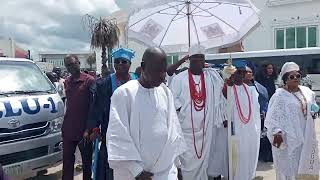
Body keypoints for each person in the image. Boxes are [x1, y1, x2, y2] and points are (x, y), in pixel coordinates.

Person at [106, 47, 186, 180]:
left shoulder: (165, 92)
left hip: (166, 172)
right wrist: (136, 171)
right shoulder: (124, 94)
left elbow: (174, 131)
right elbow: (117, 137)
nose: (162, 76)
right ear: (143, 66)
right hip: (136, 175)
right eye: (157, 71)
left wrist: (178, 166)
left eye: (164, 71)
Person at [170, 45, 227, 180]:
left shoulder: (211, 78)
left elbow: (221, 96)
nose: (198, 61)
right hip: (186, 130)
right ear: (189, 60)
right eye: (195, 58)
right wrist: (181, 109)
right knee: (188, 161)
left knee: (206, 159)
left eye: (201, 58)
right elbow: (172, 97)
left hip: (207, 127)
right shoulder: (180, 78)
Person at [265, 62, 320, 180]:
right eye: (291, 76)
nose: (295, 78)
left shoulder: (307, 91)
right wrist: (277, 132)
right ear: (285, 79)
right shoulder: (279, 96)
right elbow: (272, 118)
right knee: (290, 168)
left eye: (298, 76)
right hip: (289, 139)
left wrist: (314, 109)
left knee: (304, 164)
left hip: (306, 135)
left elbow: (313, 106)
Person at [91, 47, 138, 180]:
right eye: (117, 61)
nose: (120, 65)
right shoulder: (104, 83)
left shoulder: (137, 81)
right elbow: (97, 108)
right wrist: (95, 128)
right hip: (111, 132)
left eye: (124, 61)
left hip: (134, 130)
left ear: (130, 64)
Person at [224, 61, 261, 180]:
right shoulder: (228, 89)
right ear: (233, 74)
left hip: (250, 130)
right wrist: (227, 86)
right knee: (237, 157)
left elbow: (255, 112)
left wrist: (255, 130)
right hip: (236, 131)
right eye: (238, 72)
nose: (241, 75)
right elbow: (225, 106)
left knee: (250, 155)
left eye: (243, 72)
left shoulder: (251, 90)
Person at [62, 55, 96, 180]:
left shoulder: (89, 81)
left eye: (73, 64)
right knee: (67, 164)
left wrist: (89, 129)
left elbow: (94, 107)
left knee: (87, 165)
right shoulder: (66, 82)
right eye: (68, 65)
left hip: (84, 131)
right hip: (69, 130)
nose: (70, 67)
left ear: (79, 63)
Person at [243, 61, 273, 163]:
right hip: (242, 121)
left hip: (257, 119)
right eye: (246, 72)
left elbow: (264, 101)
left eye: (250, 72)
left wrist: (264, 110)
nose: (248, 74)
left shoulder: (258, 87)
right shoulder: (236, 88)